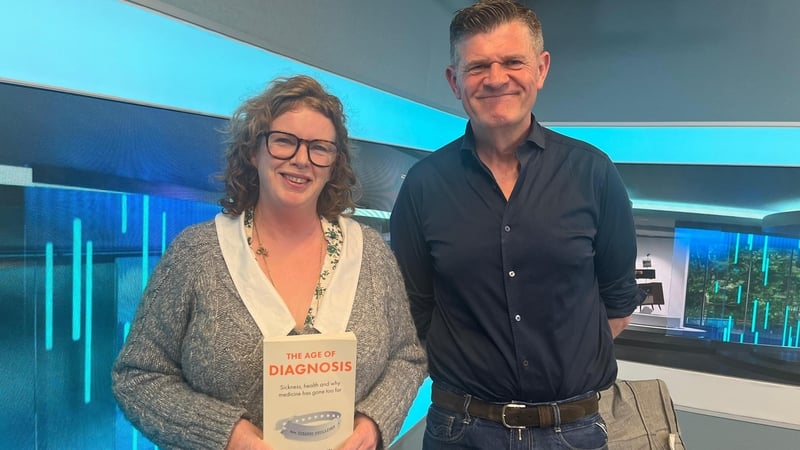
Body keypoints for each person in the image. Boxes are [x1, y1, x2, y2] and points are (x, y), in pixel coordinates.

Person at [113, 75, 426, 450]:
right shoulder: (198, 253)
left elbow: (407, 357)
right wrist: (230, 436)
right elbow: (138, 375)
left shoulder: (370, 253)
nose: (301, 159)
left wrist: (374, 423)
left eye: (319, 148)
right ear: (253, 151)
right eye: (284, 141)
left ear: (333, 164)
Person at [389, 1, 644, 448]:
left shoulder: (593, 173)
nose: (495, 78)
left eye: (512, 62)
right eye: (477, 66)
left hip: (572, 432)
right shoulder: (423, 185)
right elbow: (414, 308)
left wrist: (566, 364)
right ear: (454, 81)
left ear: (541, 69)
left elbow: (618, 301)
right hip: (460, 430)